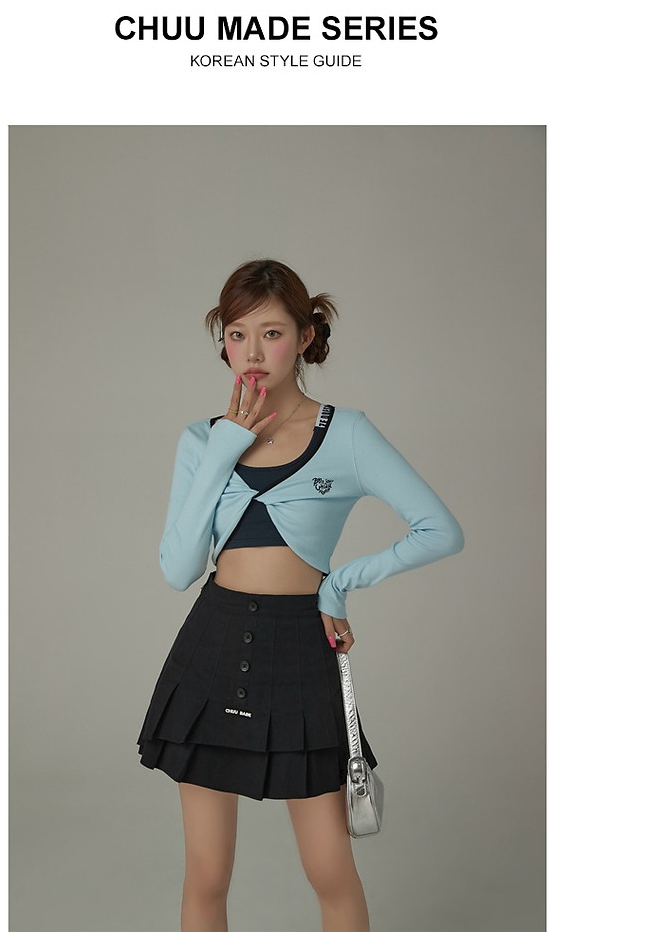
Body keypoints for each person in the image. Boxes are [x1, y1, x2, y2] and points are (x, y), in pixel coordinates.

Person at [137, 258, 464, 932]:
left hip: (299, 650)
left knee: (330, 870)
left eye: (272, 333)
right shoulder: (201, 439)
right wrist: (225, 447)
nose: (252, 353)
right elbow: (178, 569)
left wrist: (340, 584)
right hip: (211, 644)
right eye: (236, 335)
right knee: (206, 874)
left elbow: (441, 529)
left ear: (306, 337)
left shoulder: (348, 434)